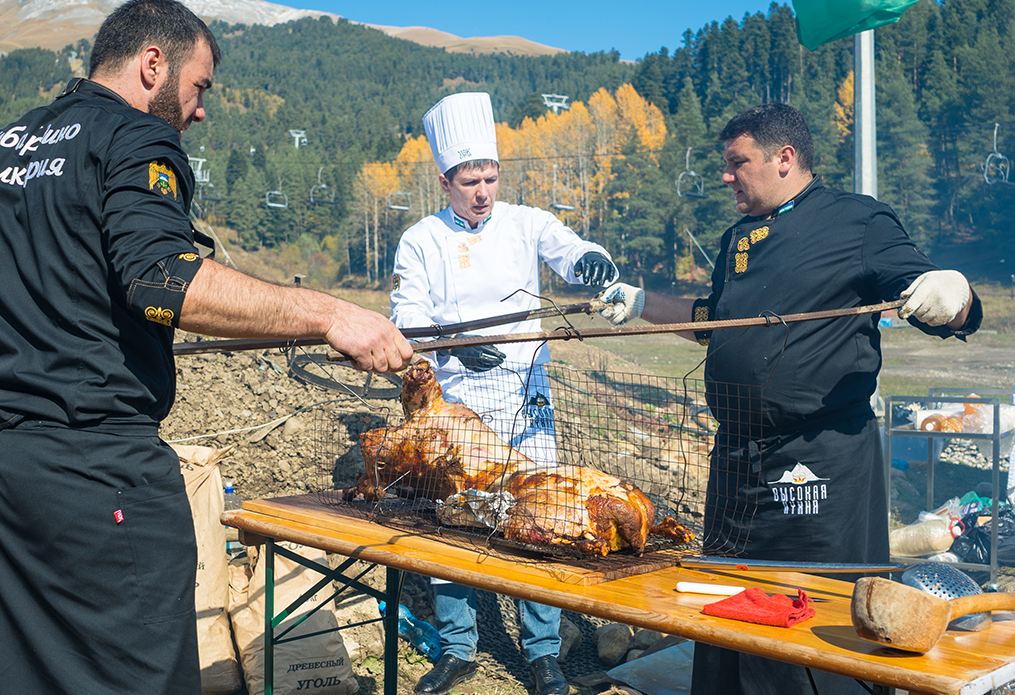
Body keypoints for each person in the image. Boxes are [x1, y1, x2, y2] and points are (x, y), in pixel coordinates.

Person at [0, 0, 412, 695]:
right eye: (199, 88)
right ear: (152, 63)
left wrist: (28, 327)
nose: (199, 110)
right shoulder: (134, 138)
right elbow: (162, 276)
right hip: (98, 472)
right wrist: (327, 314)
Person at [597, 103, 982, 695]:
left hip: (820, 459)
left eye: (737, 163)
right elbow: (712, 321)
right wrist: (641, 304)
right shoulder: (737, 238)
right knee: (729, 602)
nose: (726, 176)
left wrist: (952, 294)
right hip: (737, 460)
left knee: (814, 615)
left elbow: (945, 303)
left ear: (784, 158)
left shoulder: (858, 222)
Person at [390, 91, 618, 695]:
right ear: (446, 181)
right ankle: (460, 648)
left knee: (536, 518)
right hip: (457, 410)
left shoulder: (526, 223)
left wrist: (593, 262)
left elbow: (570, 251)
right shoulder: (420, 241)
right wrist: (452, 344)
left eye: (490, 177)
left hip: (525, 408)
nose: (484, 192)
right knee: (450, 525)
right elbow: (406, 317)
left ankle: (542, 653)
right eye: (470, 181)